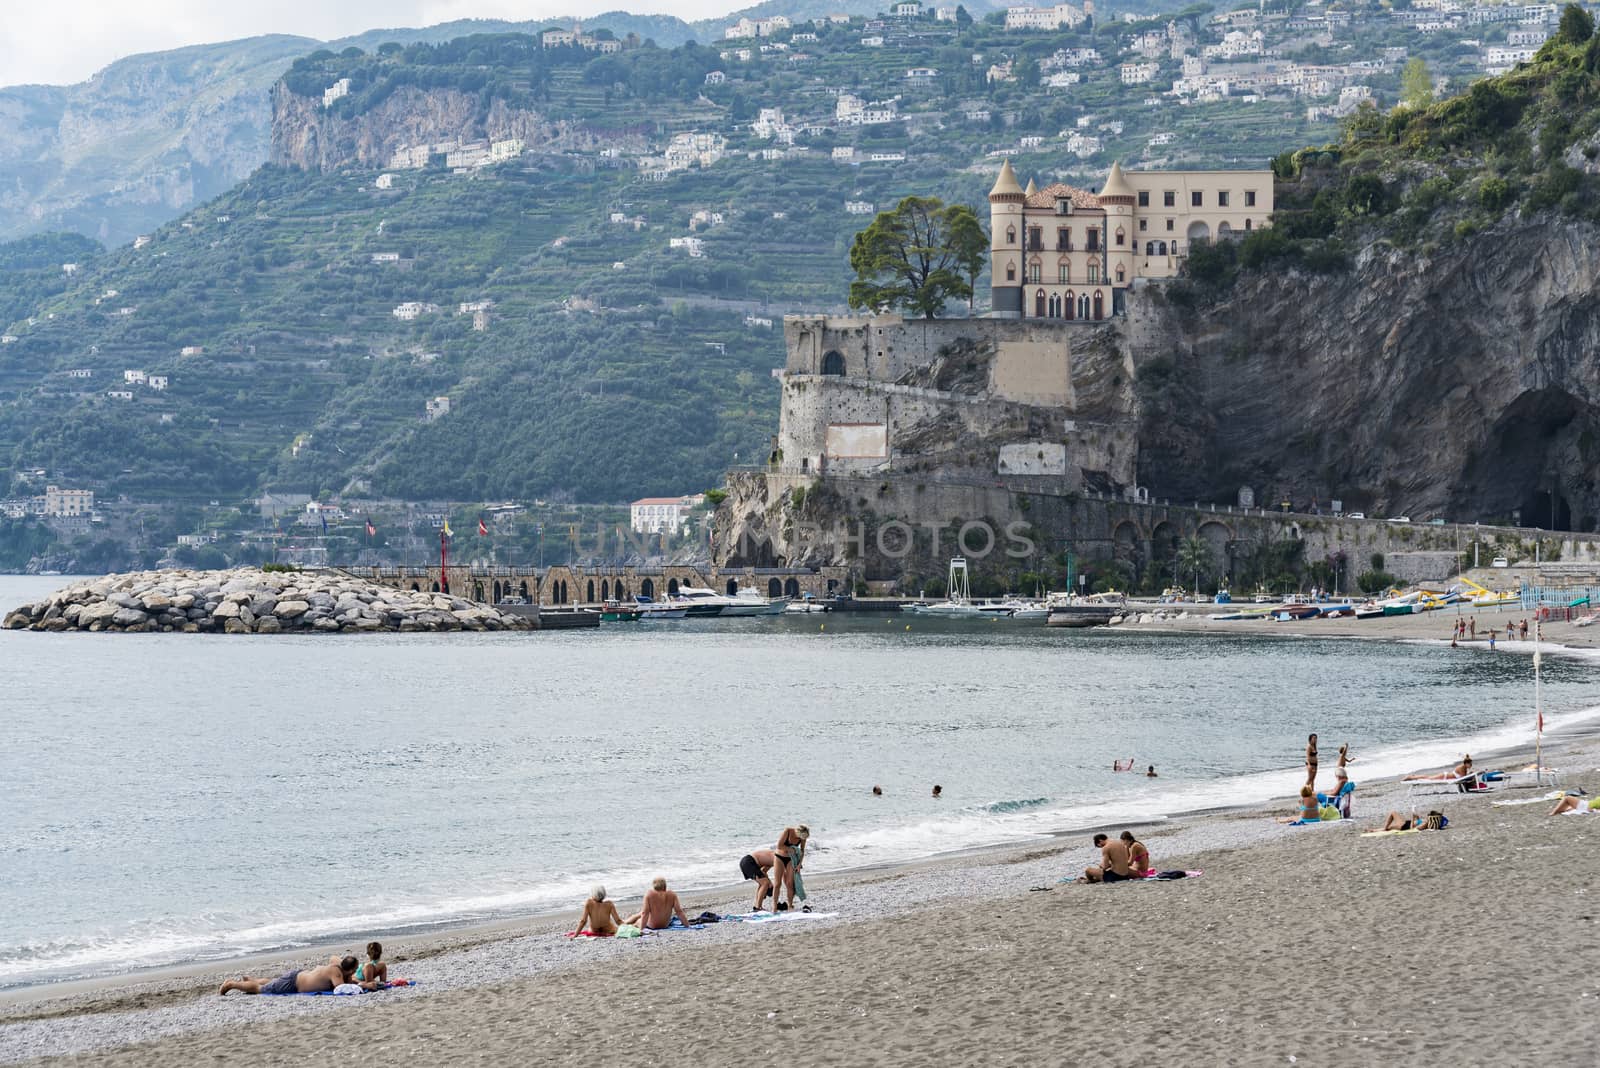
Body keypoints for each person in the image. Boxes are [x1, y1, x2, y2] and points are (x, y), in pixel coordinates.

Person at [220, 955, 362, 996]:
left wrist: (350, 975)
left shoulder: (337, 964)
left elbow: (333, 957)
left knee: (273, 982)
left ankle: (250, 980)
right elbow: (341, 989)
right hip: (294, 983)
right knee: (259, 989)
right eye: (355, 969)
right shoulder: (336, 973)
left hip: (299, 976)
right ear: (350, 970)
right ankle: (231, 984)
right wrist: (364, 984)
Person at [623, 877, 691, 931]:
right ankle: (625, 922)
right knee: (639, 914)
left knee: (638, 920)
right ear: (665, 885)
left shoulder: (649, 894)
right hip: (665, 925)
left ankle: (624, 924)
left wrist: (641, 929)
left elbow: (645, 913)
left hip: (652, 926)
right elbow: (679, 912)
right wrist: (687, 926)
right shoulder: (672, 894)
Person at [772, 825, 809, 910]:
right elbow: (779, 845)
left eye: (804, 837)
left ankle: (790, 905)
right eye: (801, 836)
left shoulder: (803, 837)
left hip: (791, 859)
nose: (802, 838)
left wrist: (799, 864)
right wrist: (790, 849)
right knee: (777, 883)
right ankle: (774, 906)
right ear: (798, 832)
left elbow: (802, 850)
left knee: (789, 883)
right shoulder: (788, 831)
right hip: (779, 857)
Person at [1376, 810, 1447, 831]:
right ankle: (1374, 830)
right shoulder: (1426, 822)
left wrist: (1413, 818)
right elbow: (1417, 823)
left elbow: (1412, 829)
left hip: (1404, 826)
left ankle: (1383, 829)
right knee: (1390, 827)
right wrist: (1417, 817)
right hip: (1406, 823)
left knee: (1393, 813)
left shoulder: (1425, 824)